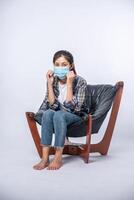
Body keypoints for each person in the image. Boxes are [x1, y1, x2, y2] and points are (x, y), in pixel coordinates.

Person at [33, 50, 89, 170]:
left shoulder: (80, 82)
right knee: (48, 113)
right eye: (57, 64)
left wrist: (69, 83)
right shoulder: (54, 80)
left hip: (76, 117)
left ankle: (58, 156)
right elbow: (52, 104)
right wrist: (49, 83)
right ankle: (45, 158)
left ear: (71, 66)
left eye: (64, 64)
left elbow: (75, 109)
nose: (60, 67)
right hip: (59, 115)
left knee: (59, 114)